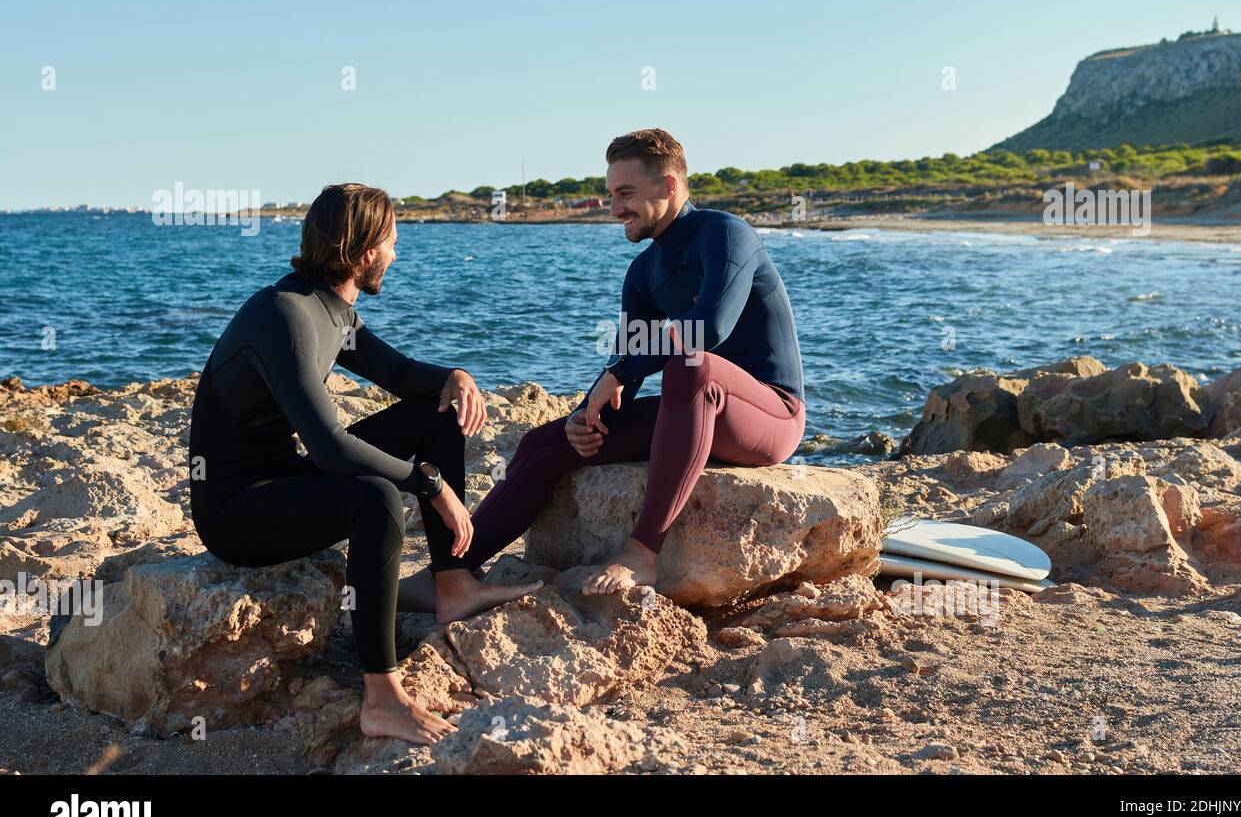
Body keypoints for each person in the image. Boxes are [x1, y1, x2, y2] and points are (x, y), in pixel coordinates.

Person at [187, 183, 539, 746]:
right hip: (235, 513)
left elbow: (398, 374)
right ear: (363, 252)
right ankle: (382, 699)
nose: (397, 255)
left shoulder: (330, 309)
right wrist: (430, 484)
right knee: (374, 498)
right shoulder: (284, 315)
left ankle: (451, 583)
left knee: (437, 412)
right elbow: (330, 449)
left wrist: (455, 377)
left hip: (285, 479)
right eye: (393, 243)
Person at [398, 128, 805, 607]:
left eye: (626, 193)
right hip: (693, 411)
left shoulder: (725, 235)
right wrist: (586, 418)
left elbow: (708, 329)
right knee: (543, 444)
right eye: (612, 194)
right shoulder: (643, 272)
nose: (615, 209)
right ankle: (451, 574)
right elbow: (624, 368)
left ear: (669, 186)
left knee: (691, 363)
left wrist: (622, 371)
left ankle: (642, 552)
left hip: (769, 418)